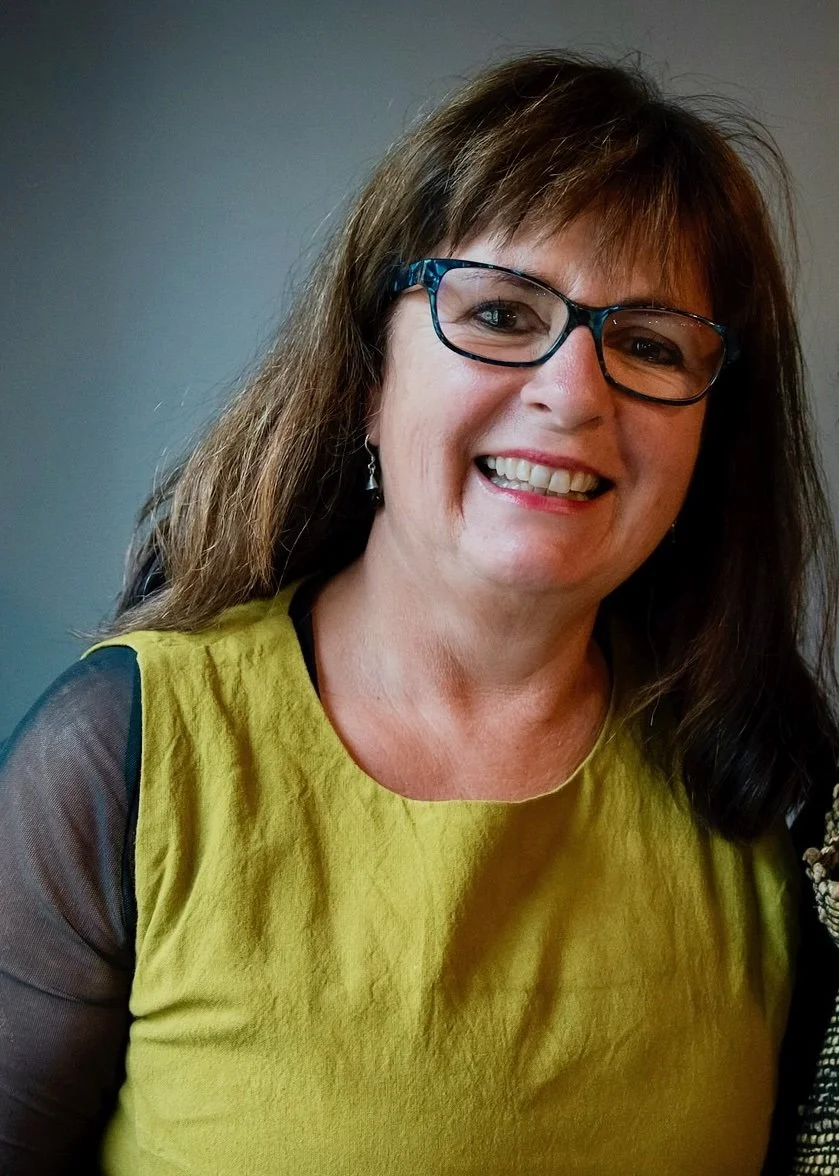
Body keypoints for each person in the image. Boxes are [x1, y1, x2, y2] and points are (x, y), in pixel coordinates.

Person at [1, 51, 838, 1176]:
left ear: (706, 438)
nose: (572, 392)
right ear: (366, 378)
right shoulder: (124, 755)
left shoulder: (784, 798)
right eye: (499, 312)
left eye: (646, 344)